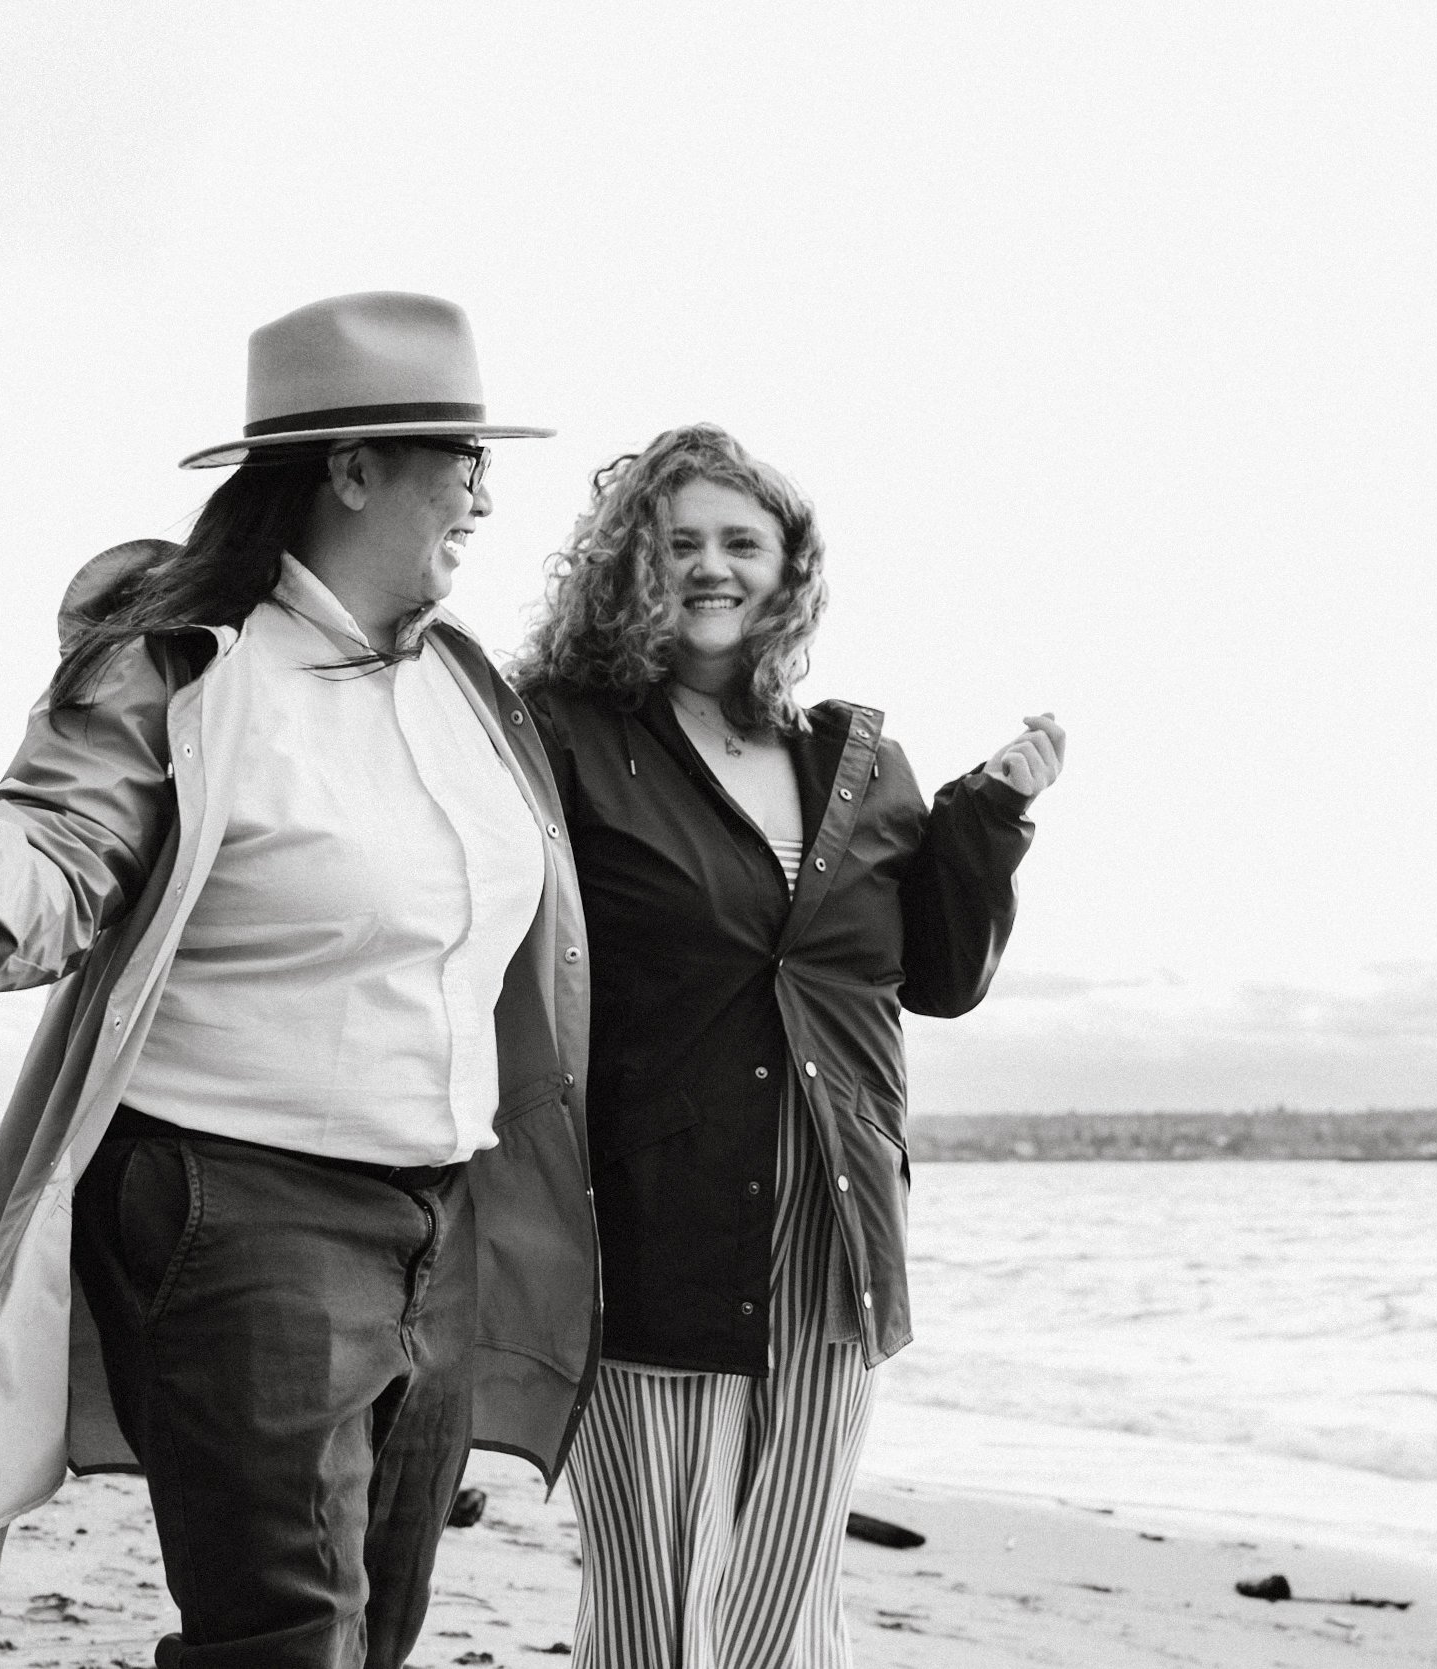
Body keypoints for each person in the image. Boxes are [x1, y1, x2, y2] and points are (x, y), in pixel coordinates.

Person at [0, 293, 602, 1669]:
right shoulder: (180, 664)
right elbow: (49, 864)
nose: (483, 494)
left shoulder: (466, 686)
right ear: (354, 467)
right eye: (463, 459)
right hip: (238, 1209)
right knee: (285, 1638)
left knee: (385, 1624)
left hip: (440, 1216)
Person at [512, 425, 1063, 1668]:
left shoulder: (852, 761)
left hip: (834, 1209)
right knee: (654, 1595)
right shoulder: (562, 738)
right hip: (651, 1210)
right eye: (680, 540)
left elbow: (936, 977)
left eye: (741, 542)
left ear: (787, 569)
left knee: (785, 1588)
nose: (713, 567)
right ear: (629, 565)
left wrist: (990, 818)